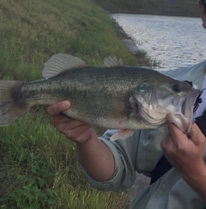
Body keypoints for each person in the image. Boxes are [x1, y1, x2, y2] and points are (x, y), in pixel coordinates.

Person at [47, 1, 206, 208]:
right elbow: (114, 168)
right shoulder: (169, 85)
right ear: (203, 12)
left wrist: (196, 175)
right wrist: (85, 139)